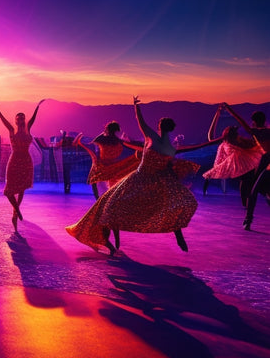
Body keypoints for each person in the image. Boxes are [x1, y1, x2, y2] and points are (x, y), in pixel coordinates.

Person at [66, 97, 220, 255]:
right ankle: (177, 234)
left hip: (138, 180)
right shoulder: (171, 147)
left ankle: (108, 242)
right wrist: (216, 140)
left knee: (107, 206)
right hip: (157, 183)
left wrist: (136, 107)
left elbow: (142, 123)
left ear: (159, 127)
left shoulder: (152, 138)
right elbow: (197, 146)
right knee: (163, 206)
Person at [0, 99, 44, 232]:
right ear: (16, 120)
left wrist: (37, 106)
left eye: (23, 118)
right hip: (14, 161)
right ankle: (17, 210)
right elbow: (3, 120)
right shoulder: (11, 130)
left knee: (21, 188)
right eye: (18, 118)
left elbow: (33, 119)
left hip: (26, 161)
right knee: (9, 190)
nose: (21, 119)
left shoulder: (28, 129)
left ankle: (15, 212)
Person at [221, 104, 270, 230]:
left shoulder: (256, 132)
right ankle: (248, 220)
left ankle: (248, 220)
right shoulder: (267, 131)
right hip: (264, 163)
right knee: (262, 191)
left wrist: (229, 109)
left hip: (266, 163)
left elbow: (241, 121)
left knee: (254, 192)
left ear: (254, 122)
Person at [202, 105, 262, 205]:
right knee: (210, 175)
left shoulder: (239, 140)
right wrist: (216, 115)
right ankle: (246, 205)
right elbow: (210, 136)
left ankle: (247, 204)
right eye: (233, 131)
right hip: (236, 164)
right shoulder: (226, 141)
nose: (235, 132)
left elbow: (252, 144)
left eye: (234, 131)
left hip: (245, 163)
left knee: (248, 183)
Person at [74, 121, 142, 199]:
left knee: (99, 189)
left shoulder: (101, 140)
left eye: (105, 129)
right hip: (113, 171)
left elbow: (89, 145)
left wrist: (79, 141)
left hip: (101, 170)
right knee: (111, 191)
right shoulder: (120, 142)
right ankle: (109, 202)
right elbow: (133, 147)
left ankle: (101, 203)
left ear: (108, 130)